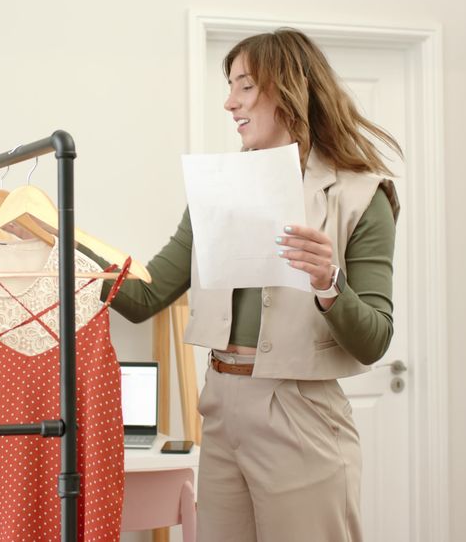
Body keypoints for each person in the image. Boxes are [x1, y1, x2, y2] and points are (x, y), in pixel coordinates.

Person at [97, 28, 400, 541]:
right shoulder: (217, 190)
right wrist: (65, 254)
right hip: (220, 407)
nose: (228, 102)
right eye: (229, 86)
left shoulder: (361, 195)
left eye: (243, 86)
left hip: (300, 414)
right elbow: (147, 295)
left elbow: (373, 340)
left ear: (287, 89)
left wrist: (329, 284)